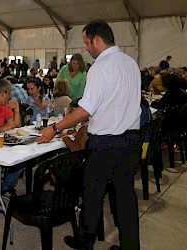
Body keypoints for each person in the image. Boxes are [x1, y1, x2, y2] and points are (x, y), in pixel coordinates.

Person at [38, 20, 143, 250]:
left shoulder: (100, 67)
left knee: (92, 193)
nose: (86, 48)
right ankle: (130, 246)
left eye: (87, 43)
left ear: (97, 40)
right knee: (124, 198)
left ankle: (85, 242)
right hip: (131, 140)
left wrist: (54, 128)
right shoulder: (131, 63)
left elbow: (86, 109)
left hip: (107, 143)